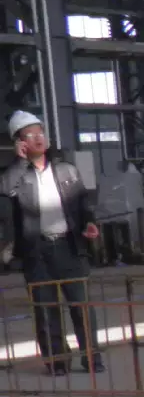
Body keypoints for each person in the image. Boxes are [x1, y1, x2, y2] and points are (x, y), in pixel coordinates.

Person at [1, 110, 101, 375]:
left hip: (69, 248)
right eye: (30, 135)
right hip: (37, 252)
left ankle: (92, 358)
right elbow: (5, 189)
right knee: (46, 311)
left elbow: (82, 204)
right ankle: (57, 362)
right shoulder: (16, 176)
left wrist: (89, 224)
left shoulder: (67, 169)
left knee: (81, 307)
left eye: (41, 132)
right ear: (19, 143)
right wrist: (20, 163)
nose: (38, 138)